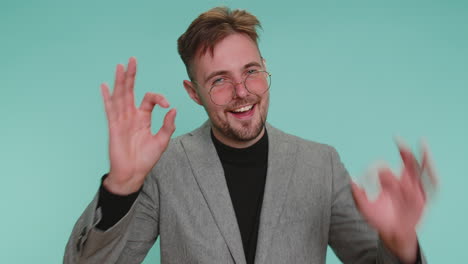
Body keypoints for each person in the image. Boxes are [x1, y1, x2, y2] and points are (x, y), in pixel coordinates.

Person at [64, 6, 428, 264]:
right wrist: (119, 188)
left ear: (265, 69)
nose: (242, 92)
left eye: (251, 71)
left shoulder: (322, 164)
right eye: (219, 80)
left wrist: (400, 243)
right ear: (194, 93)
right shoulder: (165, 167)